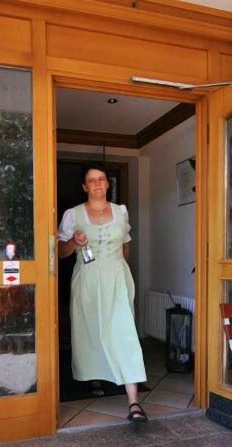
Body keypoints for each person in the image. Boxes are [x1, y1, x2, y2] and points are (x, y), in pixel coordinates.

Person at [58, 166, 148, 423]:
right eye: (91, 180)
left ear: (108, 184)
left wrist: (120, 270)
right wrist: (74, 242)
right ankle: (96, 376)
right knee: (92, 330)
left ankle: (134, 402)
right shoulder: (73, 214)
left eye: (101, 179)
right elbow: (60, 252)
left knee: (124, 333)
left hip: (118, 279)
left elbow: (126, 245)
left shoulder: (121, 211)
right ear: (84, 187)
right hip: (87, 279)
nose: (97, 184)